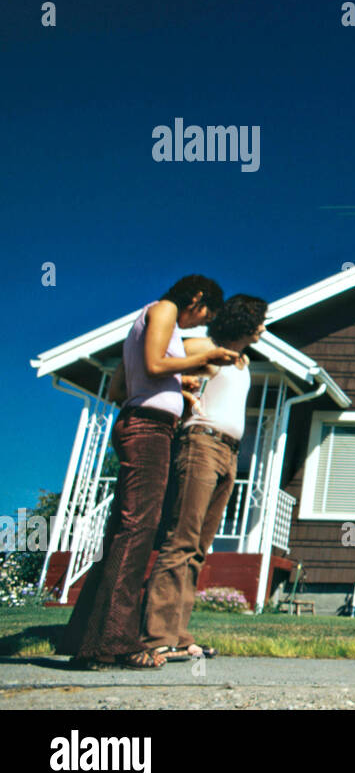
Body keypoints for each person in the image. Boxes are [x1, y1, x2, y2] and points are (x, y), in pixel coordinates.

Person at [58, 276, 237, 669]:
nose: (201, 323)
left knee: (125, 532)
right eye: (206, 313)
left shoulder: (147, 322)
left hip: (142, 424)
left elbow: (120, 388)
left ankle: (86, 638)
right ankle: (114, 643)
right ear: (197, 299)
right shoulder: (166, 310)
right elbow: (156, 364)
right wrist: (204, 362)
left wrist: (180, 387)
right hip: (148, 431)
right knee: (138, 531)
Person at [142, 295, 267, 662]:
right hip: (200, 445)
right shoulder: (205, 346)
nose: (263, 326)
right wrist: (185, 386)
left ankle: (179, 636)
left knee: (197, 549)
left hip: (228, 454)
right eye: (259, 320)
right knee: (180, 541)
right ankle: (156, 637)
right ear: (243, 321)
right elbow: (164, 356)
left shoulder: (243, 362)